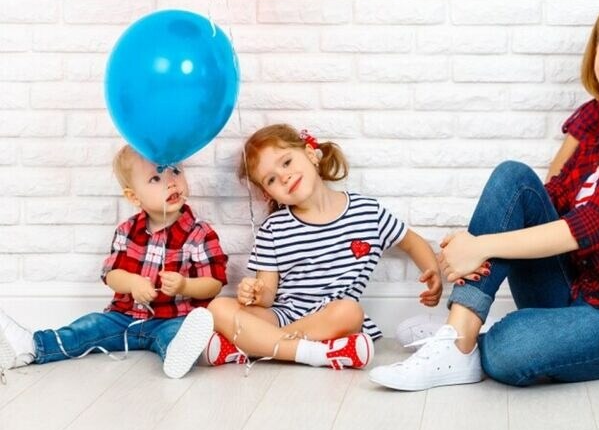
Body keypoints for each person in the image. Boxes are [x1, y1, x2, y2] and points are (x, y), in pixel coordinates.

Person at [369, 0, 599, 391]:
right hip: (573, 287)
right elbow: (544, 202)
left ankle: (467, 336)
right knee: (514, 179)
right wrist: (469, 247)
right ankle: (457, 339)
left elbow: (592, 224)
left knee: (511, 351)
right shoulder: (598, 124)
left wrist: (480, 246)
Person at [207, 124, 442, 370]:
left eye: (286, 163)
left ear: (310, 154)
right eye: (272, 179)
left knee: (350, 312)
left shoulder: (367, 212)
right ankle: (314, 352)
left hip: (331, 319)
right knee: (218, 307)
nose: (284, 176)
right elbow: (266, 297)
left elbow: (412, 242)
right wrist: (255, 292)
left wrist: (432, 271)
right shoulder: (273, 229)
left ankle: (253, 346)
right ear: (269, 194)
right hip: (281, 316)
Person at [0, 145, 227, 382]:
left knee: (176, 335)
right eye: (155, 178)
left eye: (175, 172)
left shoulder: (199, 232)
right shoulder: (127, 230)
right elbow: (111, 274)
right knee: (89, 326)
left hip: (172, 318)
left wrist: (185, 286)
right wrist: (133, 282)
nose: (171, 182)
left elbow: (214, 283)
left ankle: (177, 355)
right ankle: (32, 346)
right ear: (133, 196)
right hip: (124, 317)